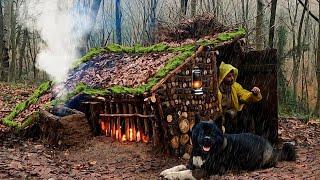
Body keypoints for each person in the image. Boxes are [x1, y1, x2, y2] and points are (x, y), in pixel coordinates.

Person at [218, 62, 262, 133]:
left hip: (230, 117)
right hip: (219, 117)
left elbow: (244, 94)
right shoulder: (216, 89)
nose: (232, 78)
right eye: (229, 76)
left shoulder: (235, 86)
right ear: (223, 77)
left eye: (232, 75)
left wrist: (254, 94)